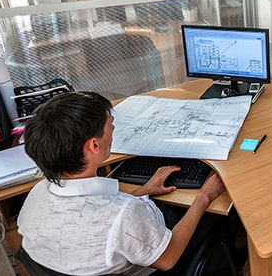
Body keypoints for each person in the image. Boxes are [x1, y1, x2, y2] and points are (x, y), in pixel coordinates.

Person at [17, 91, 227, 275]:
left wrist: (143, 191)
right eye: (109, 124)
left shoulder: (38, 193)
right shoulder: (124, 215)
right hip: (159, 254)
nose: (114, 127)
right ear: (94, 145)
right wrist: (204, 196)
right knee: (221, 213)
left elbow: (93, 216)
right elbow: (167, 259)